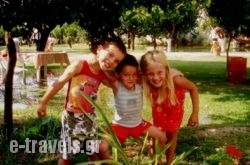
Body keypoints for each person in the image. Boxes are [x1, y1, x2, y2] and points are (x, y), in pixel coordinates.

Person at [37, 36, 127, 165]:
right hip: (71, 118)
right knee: (67, 156)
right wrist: (43, 102)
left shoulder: (103, 74)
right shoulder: (80, 65)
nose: (111, 61)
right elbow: (59, 82)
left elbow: (117, 87)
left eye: (116, 61)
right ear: (99, 49)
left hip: (90, 118)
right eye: (110, 55)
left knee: (92, 152)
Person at [100, 54, 166, 160]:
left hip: (138, 123)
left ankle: (156, 161)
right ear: (118, 75)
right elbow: (103, 70)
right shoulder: (117, 86)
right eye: (126, 75)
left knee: (162, 137)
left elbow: (149, 72)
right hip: (119, 125)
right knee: (102, 147)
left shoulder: (139, 85)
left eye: (134, 74)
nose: (131, 78)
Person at [139, 50, 199, 165]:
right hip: (159, 109)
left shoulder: (176, 80)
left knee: (172, 135)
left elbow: (193, 88)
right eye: (151, 74)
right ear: (145, 74)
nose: (156, 78)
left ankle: (169, 162)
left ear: (166, 70)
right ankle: (157, 162)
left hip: (174, 109)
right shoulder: (145, 79)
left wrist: (195, 113)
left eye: (159, 72)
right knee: (156, 136)